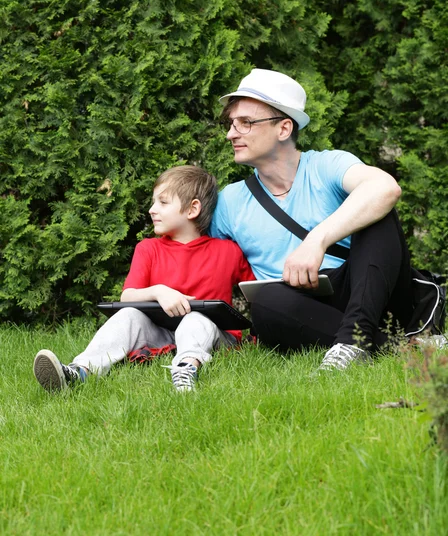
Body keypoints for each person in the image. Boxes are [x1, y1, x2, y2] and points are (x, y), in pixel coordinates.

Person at [210, 68, 416, 371]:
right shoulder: (230, 200)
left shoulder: (327, 164)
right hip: (298, 307)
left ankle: (352, 341)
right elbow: (203, 258)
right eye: (231, 123)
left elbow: (385, 187)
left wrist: (316, 241)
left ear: (283, 129)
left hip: (367, 291)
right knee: (265, 304)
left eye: (246, 123)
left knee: (380, 214)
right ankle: (397, 347)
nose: (231, 133)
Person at [33, 166, 255, 392]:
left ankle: (186, 370)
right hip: (162, 333)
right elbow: (127, 296)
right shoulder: (148, 248)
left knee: (195, 319)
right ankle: (79, 372)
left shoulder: (228, 251)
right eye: (153, 202)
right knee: (129, 314)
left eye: (163, 202)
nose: (152, 209)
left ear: (192, 209)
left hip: (212, 336)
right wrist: (158, 291)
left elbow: (255, 293)